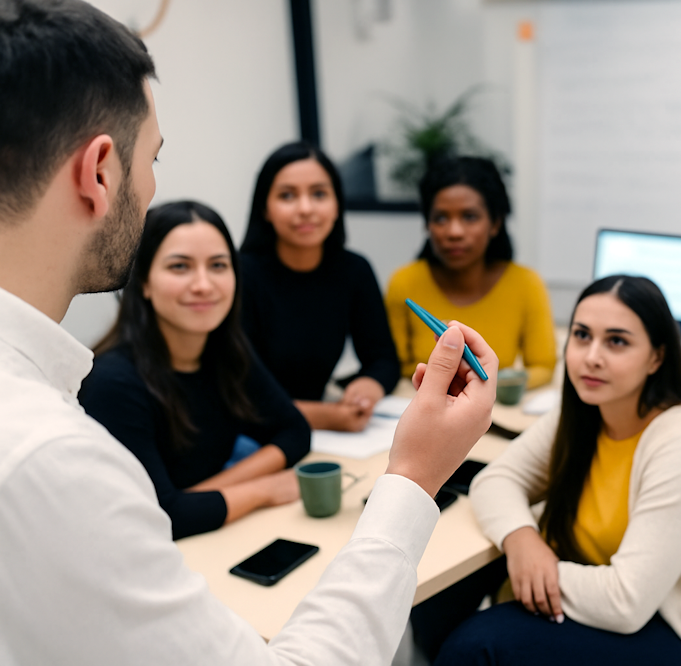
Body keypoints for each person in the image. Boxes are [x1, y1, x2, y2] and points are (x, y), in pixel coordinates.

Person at [0, 2, 497, 664]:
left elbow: (292, 421)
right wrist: (414, 473)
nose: (150, 187)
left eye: (216, 266)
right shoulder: (53, 455)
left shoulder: (72, 415)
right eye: (153, 158)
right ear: (99, 172)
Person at [427, 275, 681, 666]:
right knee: (445, 603)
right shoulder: (586, 412)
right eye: (582, 335)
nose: (592, 356)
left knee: (479, 645)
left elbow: (626, 602)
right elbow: (497, 479)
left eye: (617, 341)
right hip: (613, 601)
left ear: (657, 357)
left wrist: (542, 569)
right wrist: (522, 541)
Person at [79, 201, 310, 539]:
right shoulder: (112, 382)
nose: (203, 284)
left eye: (218, 265)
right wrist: (265, 490)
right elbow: (161, 517)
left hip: (210, 539)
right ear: (143, 282)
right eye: (180, 267)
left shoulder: (226, 352)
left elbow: (294, 431)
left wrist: (200, 496)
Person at [241, 141, 399, 432]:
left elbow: (383, 358)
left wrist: (369, 385)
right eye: (287, 195)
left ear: (337, 203)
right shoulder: (238, 275)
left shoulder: (354, 270)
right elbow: (241, 389)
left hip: (324, 430)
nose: (305, 209)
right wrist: (329, 417)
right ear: (265, 208)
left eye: (319, 194)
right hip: (254, 432)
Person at [385, 156, 557, 389]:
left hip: (492, 412)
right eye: (441, 218)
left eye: (470, 216)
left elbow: (543, 366)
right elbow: (392, 365)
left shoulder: (526, 284)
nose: (454, 231)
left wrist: (486, 387)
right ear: (427, 224)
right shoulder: (404, 283)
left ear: (495, 223)